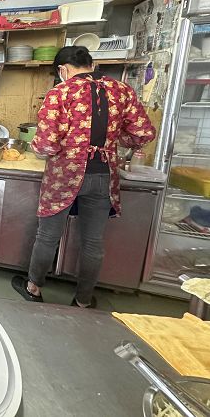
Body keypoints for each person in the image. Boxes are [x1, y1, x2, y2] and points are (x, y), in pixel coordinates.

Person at [11, 46, 155, 308]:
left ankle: (33, 288)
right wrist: (113, 142)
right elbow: (142, 133)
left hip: (65, 176)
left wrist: (53, 149)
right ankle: (83, 300)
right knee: (93, 241)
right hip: (103, 175)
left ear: (63, 70)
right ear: (91, 64)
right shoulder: (121, 90)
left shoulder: (61, 93)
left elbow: (46, 145)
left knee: (47, 237)